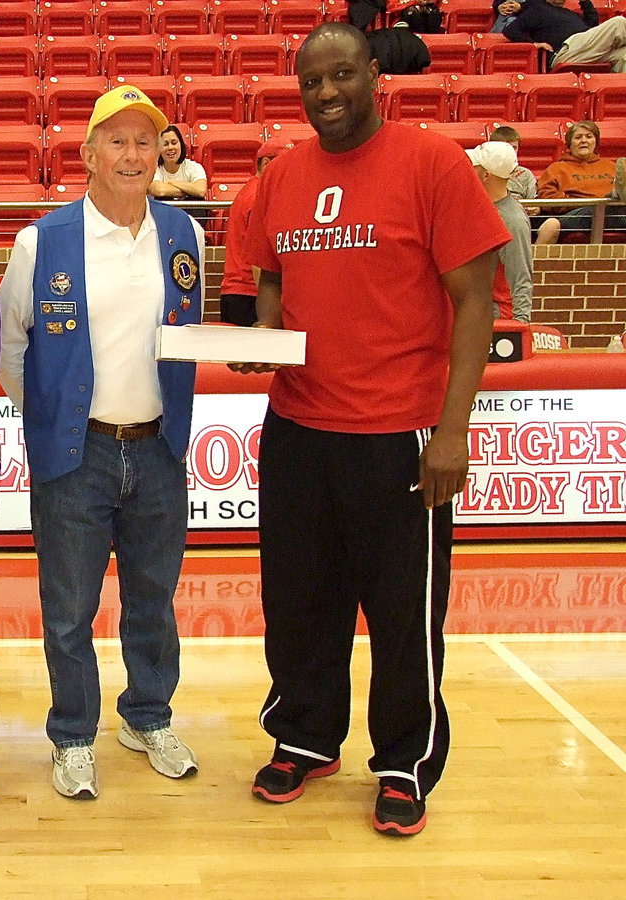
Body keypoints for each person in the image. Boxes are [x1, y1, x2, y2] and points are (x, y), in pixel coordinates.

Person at [238, 23, 508, 836]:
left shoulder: (431, 164)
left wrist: (452, 430)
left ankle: (404, 761)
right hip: (298, 429)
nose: (327, 94)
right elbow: (270, 280)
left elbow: (475, 304)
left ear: (374, 78)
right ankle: (304, 736)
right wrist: (262, 342)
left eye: (343, 75)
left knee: (402, 616)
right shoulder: (280, 177)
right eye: (312, 82)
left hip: (400, 436)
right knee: (299, 603)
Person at [0, 84, 204, 800]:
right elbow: (9, 345)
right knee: (69, 609)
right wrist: (53, 418)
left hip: (157, 451)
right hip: (76, 457)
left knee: (154, 598)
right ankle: (73, 735)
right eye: (116, 140)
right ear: (87, 154)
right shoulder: (41, 241)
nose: (133, 153)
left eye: (145, 140)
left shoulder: (185, 232)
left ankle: (147, 716)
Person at [220, 138, 294, 326]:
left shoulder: (249, 191)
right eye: (284, 163)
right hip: (249, 295)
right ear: (266, 163)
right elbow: (258, 259)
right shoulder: (258, 196)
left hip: (238, 293)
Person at [468, 141, 534, 322]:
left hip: (497, 318)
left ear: (486, 174)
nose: (468, 170)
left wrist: (521, 326)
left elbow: (521, 276)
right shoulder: (478, 208)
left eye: (473, 167)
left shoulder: (512, 220)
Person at [535, 120, 625, 244]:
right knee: (596, 208)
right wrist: (577, 201)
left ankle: (613, 196)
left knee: (610, 207)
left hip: (613, 214)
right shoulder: (556, 168)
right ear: (569, 144)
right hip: (577, 215)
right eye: (578, 137)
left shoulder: (611, 166)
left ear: (595, 142)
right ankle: (612, 196)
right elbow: (547, 199)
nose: (584, 140)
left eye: (589, 137)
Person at [504, 0, 626, 72]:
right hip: (565, 50)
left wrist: (585, 2)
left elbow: (592, 25)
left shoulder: (571, 14)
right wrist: (533, 44)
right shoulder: (537, 10)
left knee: (623, 55)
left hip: (585, 49)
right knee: (618, 22)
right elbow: (511, 30)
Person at [148, 125, 208, 201]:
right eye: (165, 144)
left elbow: (201, 191)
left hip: (190, 212)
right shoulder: (153, 169)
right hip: (165, 211)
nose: (170, 148)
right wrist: (190, 190)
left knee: (197, 199)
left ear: (181, 145)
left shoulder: (194, 167)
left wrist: (172, 182)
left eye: (174, 143)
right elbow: (160, 191)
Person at [489, 125, 539, 205]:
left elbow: (534, 202)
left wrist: (536, 209)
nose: (511, 151)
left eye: (514, 148)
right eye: (507, 147)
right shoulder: (484, 172)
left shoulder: (525, 174)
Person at [366, 15, 432, 74]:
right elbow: (425, 60)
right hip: (408, 78)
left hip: (379, 72)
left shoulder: (375, 36)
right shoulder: (417, 41)